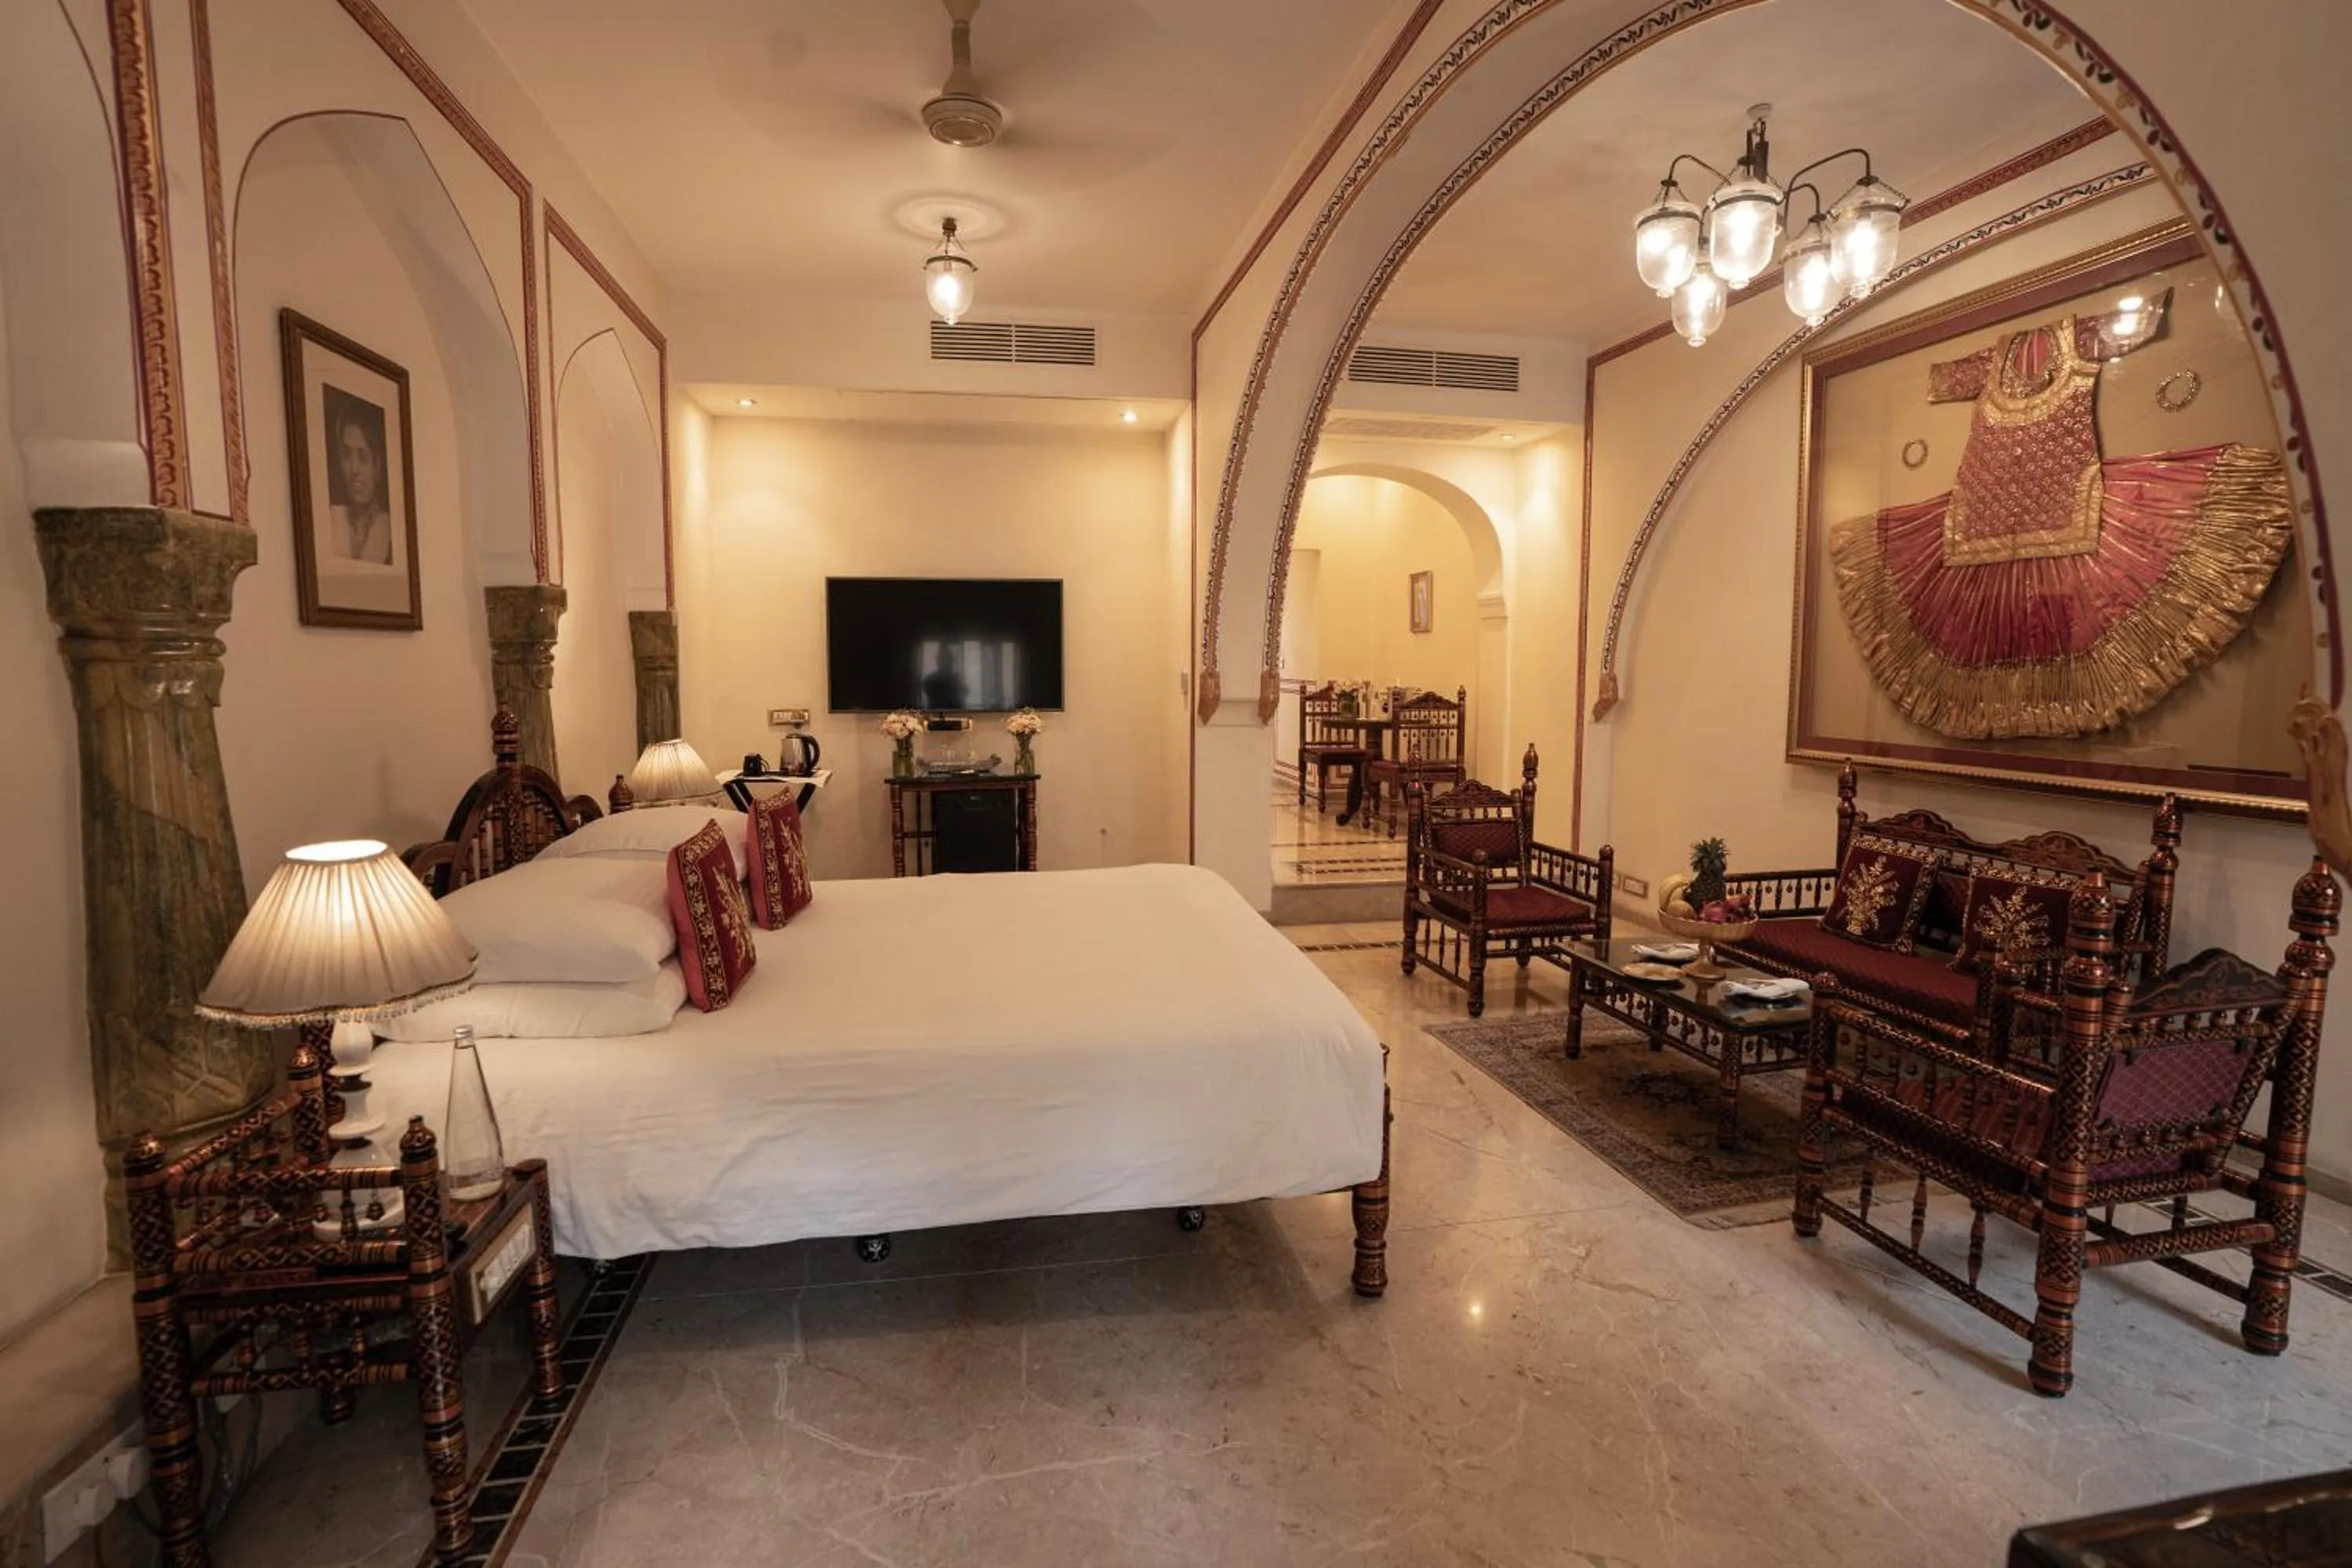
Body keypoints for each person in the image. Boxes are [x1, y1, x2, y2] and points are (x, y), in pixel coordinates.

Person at [325, 394, 394, 565]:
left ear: (377, 466)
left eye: (363, 457)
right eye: (346, 455)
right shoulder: (332, 518)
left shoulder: (388, 528)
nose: (354, 470)